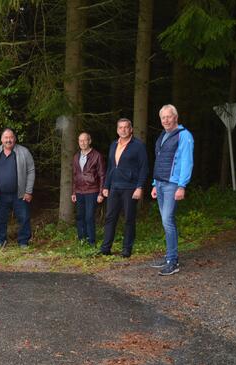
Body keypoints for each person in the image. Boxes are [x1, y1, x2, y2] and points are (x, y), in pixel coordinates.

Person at [150, 104, 194, 276]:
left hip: (172, 185)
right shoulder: (163, 135)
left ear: (176, 117)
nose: (166, 120)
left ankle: (173, 261)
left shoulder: (184, 136)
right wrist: (154, 184)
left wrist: (182, 185)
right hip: (160, 184)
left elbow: (186, 162)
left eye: (169, 116)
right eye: (163, 118)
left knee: (168, 220)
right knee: (165, 221)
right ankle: (169, 255)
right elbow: (159, 161)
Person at [99, 118, 148, 257]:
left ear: (131, 129)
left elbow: (144, 168)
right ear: (117, 130)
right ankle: (105, 248)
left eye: (126, 127)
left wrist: (140, 187)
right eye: (120, 127)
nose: (123, 130)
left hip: (130, 187)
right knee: (110, 218)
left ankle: (126, 249)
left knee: (129, 219)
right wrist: (106, 186)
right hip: (114, 187)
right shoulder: (113, 145)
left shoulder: (138, 146)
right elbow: (110, 167)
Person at [0, 128, 35, 248]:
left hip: (20, 194)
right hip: (0, 195)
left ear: (14, 139)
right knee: (0, 220)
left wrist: (28, 191)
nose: (8, 140)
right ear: (1, 139)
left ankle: (23, 241)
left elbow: (31, 171)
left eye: (11, 137)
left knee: (24, 218)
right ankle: (1, 242)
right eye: (6, 138)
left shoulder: (24, 152)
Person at [71, 132, 106, 245]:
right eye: (80, 140)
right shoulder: (76, 156)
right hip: (79, 191)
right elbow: (75, 175)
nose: (83, 142)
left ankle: (91, 241)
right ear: (78, 142)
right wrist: (74, 192)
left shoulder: (97, 156)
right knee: (80, 216)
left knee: (89, 216)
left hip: (92, 191)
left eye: (85, 140)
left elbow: (102, 175)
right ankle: (82, 239)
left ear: (89, 141)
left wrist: (101, 193)